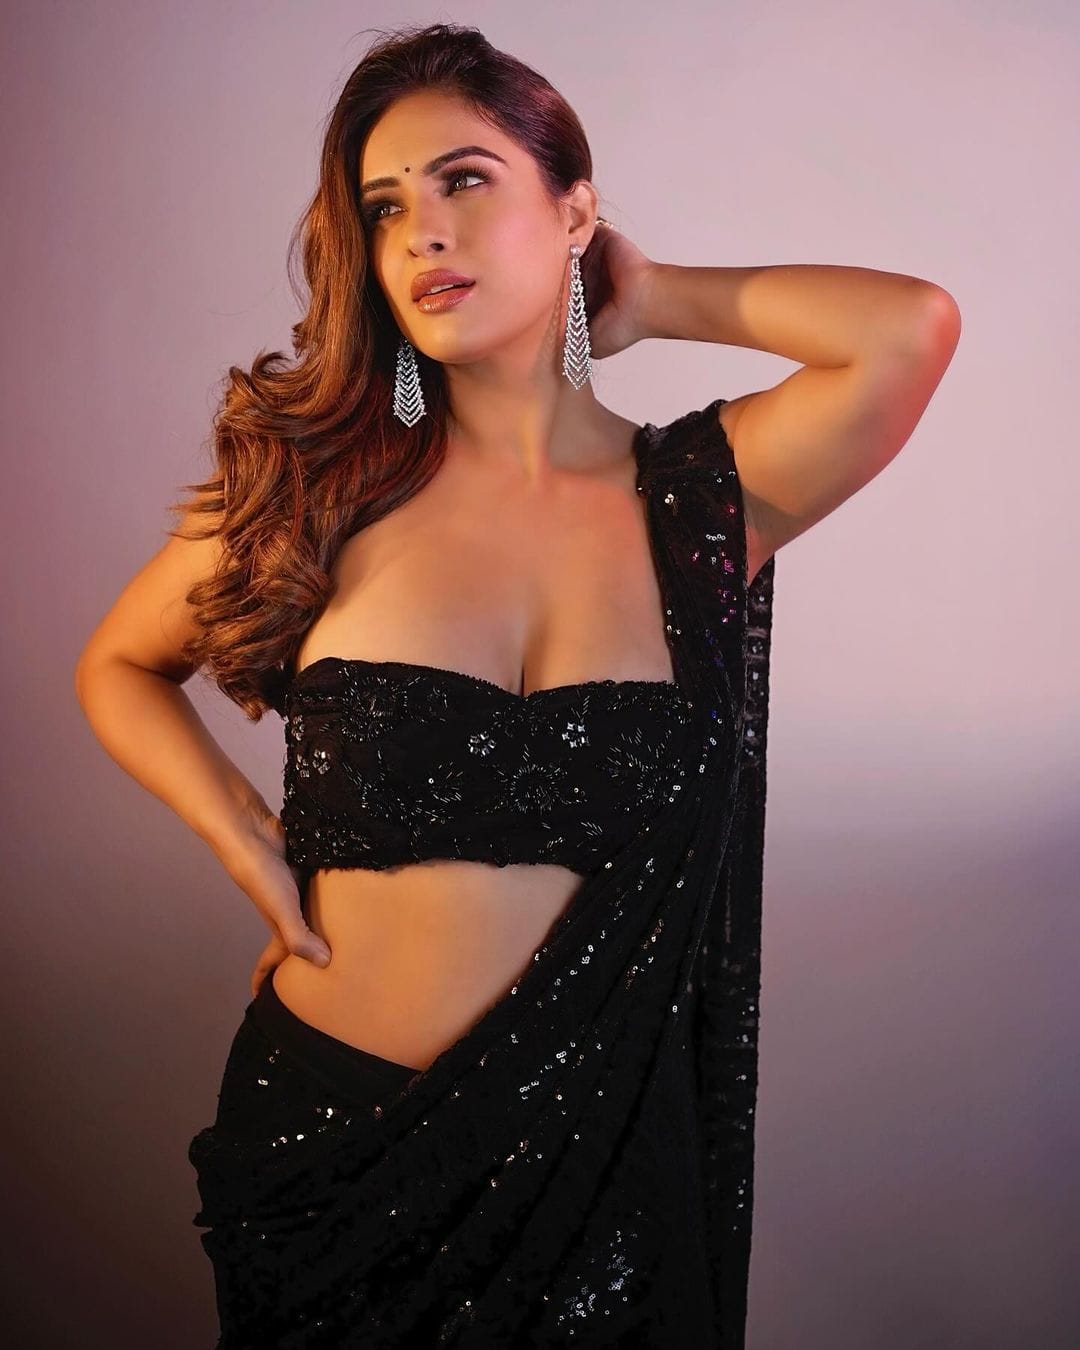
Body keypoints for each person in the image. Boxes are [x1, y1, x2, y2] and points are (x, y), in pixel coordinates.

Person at [73, 20, 960, 1349]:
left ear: (575, 211)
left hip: (602, 1182)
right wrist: (243, 834)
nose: (422, 231)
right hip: (338, 1160)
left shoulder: (702, 502)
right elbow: (120, 664)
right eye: (385, 208)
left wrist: (653, 295)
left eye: (466, 180)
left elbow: (911, 328)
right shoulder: (326, 489)